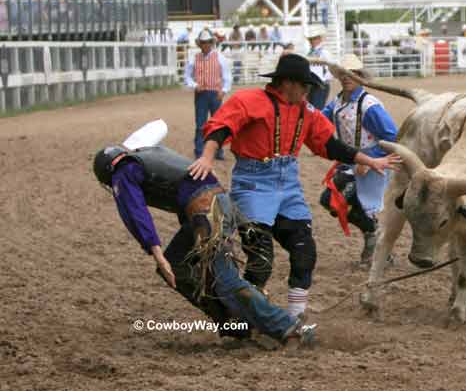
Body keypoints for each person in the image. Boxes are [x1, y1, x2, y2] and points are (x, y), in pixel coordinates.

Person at [187, 54, 401, 319]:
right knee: (261, 261)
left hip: (288, 186)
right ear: (287, 83)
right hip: (253, 184)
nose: (308, 91)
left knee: (305, 253)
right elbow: (221, 128)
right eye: (304, 85)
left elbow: (329, 144)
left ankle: (296, 317)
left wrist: (368, 159)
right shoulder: (248, 101)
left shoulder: (306, 111)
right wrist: (207, 157)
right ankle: (250, 316)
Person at [92, 121, 316, 346]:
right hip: (214, 205)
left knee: (223, 278)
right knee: (179, 266)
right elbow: (160, 129)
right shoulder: (143, 155)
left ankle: (287, 327)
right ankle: (235, 325)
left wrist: (156, 253)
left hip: (207, 211)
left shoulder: (122, 172)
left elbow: (135, 212)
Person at [320, 54, 399, 265]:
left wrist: (369, 160)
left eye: (353, 73)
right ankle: (373, 236)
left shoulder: (369, 105)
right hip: (353, 161)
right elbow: (318, 119)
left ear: (361, 76)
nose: (347, 77)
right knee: (330, 200)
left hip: (372, 163)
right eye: (344, 73)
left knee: (341, 200)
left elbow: (392, 136)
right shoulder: (337, 102)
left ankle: (376, 241)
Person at [184, 30, 231, 159]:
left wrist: (224, 90)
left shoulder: (219, 57)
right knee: (200, 124)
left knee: (218, 123)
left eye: (208, 42)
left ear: (211, 43)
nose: (206, 45)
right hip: (201, 93)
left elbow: (227, 76)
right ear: (200, 44)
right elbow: (187, 77)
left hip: (215, 93)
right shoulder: (194, 58)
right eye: (203, 42)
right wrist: (194, 85)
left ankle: (218, 151)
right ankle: (199, 151)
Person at [306, 25, 333, 110]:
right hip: (311, 84)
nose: (312, 41)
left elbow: (331, 68)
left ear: (319, 39)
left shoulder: (324, 53)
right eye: (311, 39)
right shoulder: (309, 53)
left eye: (314, 38)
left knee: (316, 109)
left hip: (320, 84)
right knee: (311, 108)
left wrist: (324, 80)